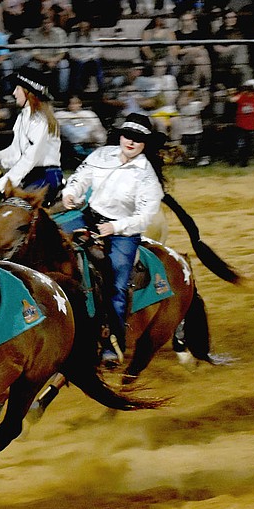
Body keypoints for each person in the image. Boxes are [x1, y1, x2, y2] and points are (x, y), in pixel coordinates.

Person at [61, 112, 165, 366]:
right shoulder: (101, 155)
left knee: (117, 283)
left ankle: (113, 342)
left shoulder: (147, 176)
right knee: (51, 240)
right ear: (120, 136)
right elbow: (80, 177)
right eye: (128, 135)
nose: (131, 141)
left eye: (137, 138)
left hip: (123, 233)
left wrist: (115, 227)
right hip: (88, 216)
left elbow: (144, 217)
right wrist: (70, 193)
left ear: (144, 144)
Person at [0, 66, 63, 202]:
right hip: (31, 175)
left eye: (17, 88)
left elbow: (30, 157)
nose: (14, 93)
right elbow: (16, 151)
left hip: (46, 176)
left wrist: (1, 184)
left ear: (28, 92)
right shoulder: (23, 117)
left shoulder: (40, 120)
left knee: (16, 207)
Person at [228, 78, 254, 166]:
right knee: (240, 145)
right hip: (241, 126)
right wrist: (233, 93)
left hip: (253, 126)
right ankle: (234, 160)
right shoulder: (242, 96)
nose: (248, 92)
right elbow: (232, 100)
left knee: (249, 146)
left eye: (250, 90)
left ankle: (243, 162)